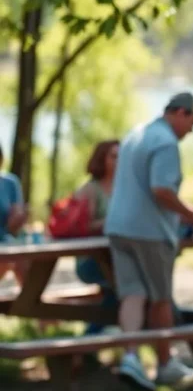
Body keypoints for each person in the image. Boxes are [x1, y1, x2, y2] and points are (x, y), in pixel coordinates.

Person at [104, 92, 193, 391]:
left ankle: (130, 357)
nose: (191, 130)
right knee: (161, 297)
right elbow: (161, 191)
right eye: (192, 122)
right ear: (180, 112)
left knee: (132, 294)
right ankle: (166, 364)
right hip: (149, 231)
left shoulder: (136, 134)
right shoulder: (165, 142)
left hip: (117, 227)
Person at [73, 140, 120, 336]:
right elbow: (82, 227)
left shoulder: (124, 188)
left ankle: (84, 348)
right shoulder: (91, 189)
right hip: (92, 261)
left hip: (116, 257)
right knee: (126, 289)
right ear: (102, 159)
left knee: (124, 292)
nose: (119, 161)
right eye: (114, 156)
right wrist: (111, 222)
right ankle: (84, 346)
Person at [0, 144, 29, 285]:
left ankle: (30, 303)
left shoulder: (10, 183)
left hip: (6, 242)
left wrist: (18, 219)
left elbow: (14, 228)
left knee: (22, 258)